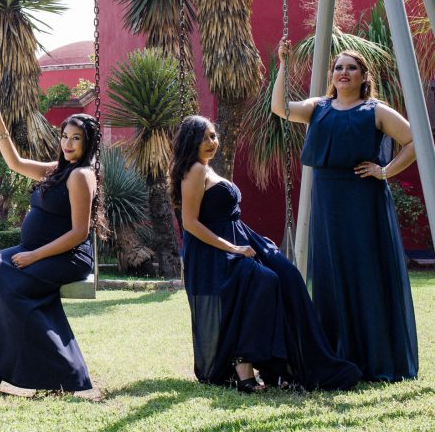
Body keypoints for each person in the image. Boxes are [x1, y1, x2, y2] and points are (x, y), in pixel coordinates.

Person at [172, 115, 361, 393]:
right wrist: (233, 247)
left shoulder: (207, 169)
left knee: (286, 275)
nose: (212, 142)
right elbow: (190, 223)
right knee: (264, 281)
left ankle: (287, 366)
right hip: (213, 254)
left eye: (213, 135)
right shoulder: (195, 171)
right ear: (191, 141)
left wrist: (252, 242)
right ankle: (245, 364)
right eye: (205, 138)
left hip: (240, 239)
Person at [272, 42, 418, 382]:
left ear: (363, 75)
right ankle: (337, 353)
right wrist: (282, 64)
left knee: (365, 269)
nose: (343, 72)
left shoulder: (375, 110)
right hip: (327, 198)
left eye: (351, 67)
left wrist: (384, 171)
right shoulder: (318, 107)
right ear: (332, 76)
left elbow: (415, 142)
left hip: (363, 199)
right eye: (338, 67)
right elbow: (280, 108)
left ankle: (377, 357)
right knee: (331, 271)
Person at [0, 99, 96, 393]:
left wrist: (33, 256)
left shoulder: (81, 176)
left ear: (88, 143)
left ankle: (62, 370)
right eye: (65, 136)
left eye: (76, 138)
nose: (68, 143)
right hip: (34, 250)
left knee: (8, 285)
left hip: (67, 256)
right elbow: (15, 163)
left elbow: (79, 233)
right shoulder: (55, 170)